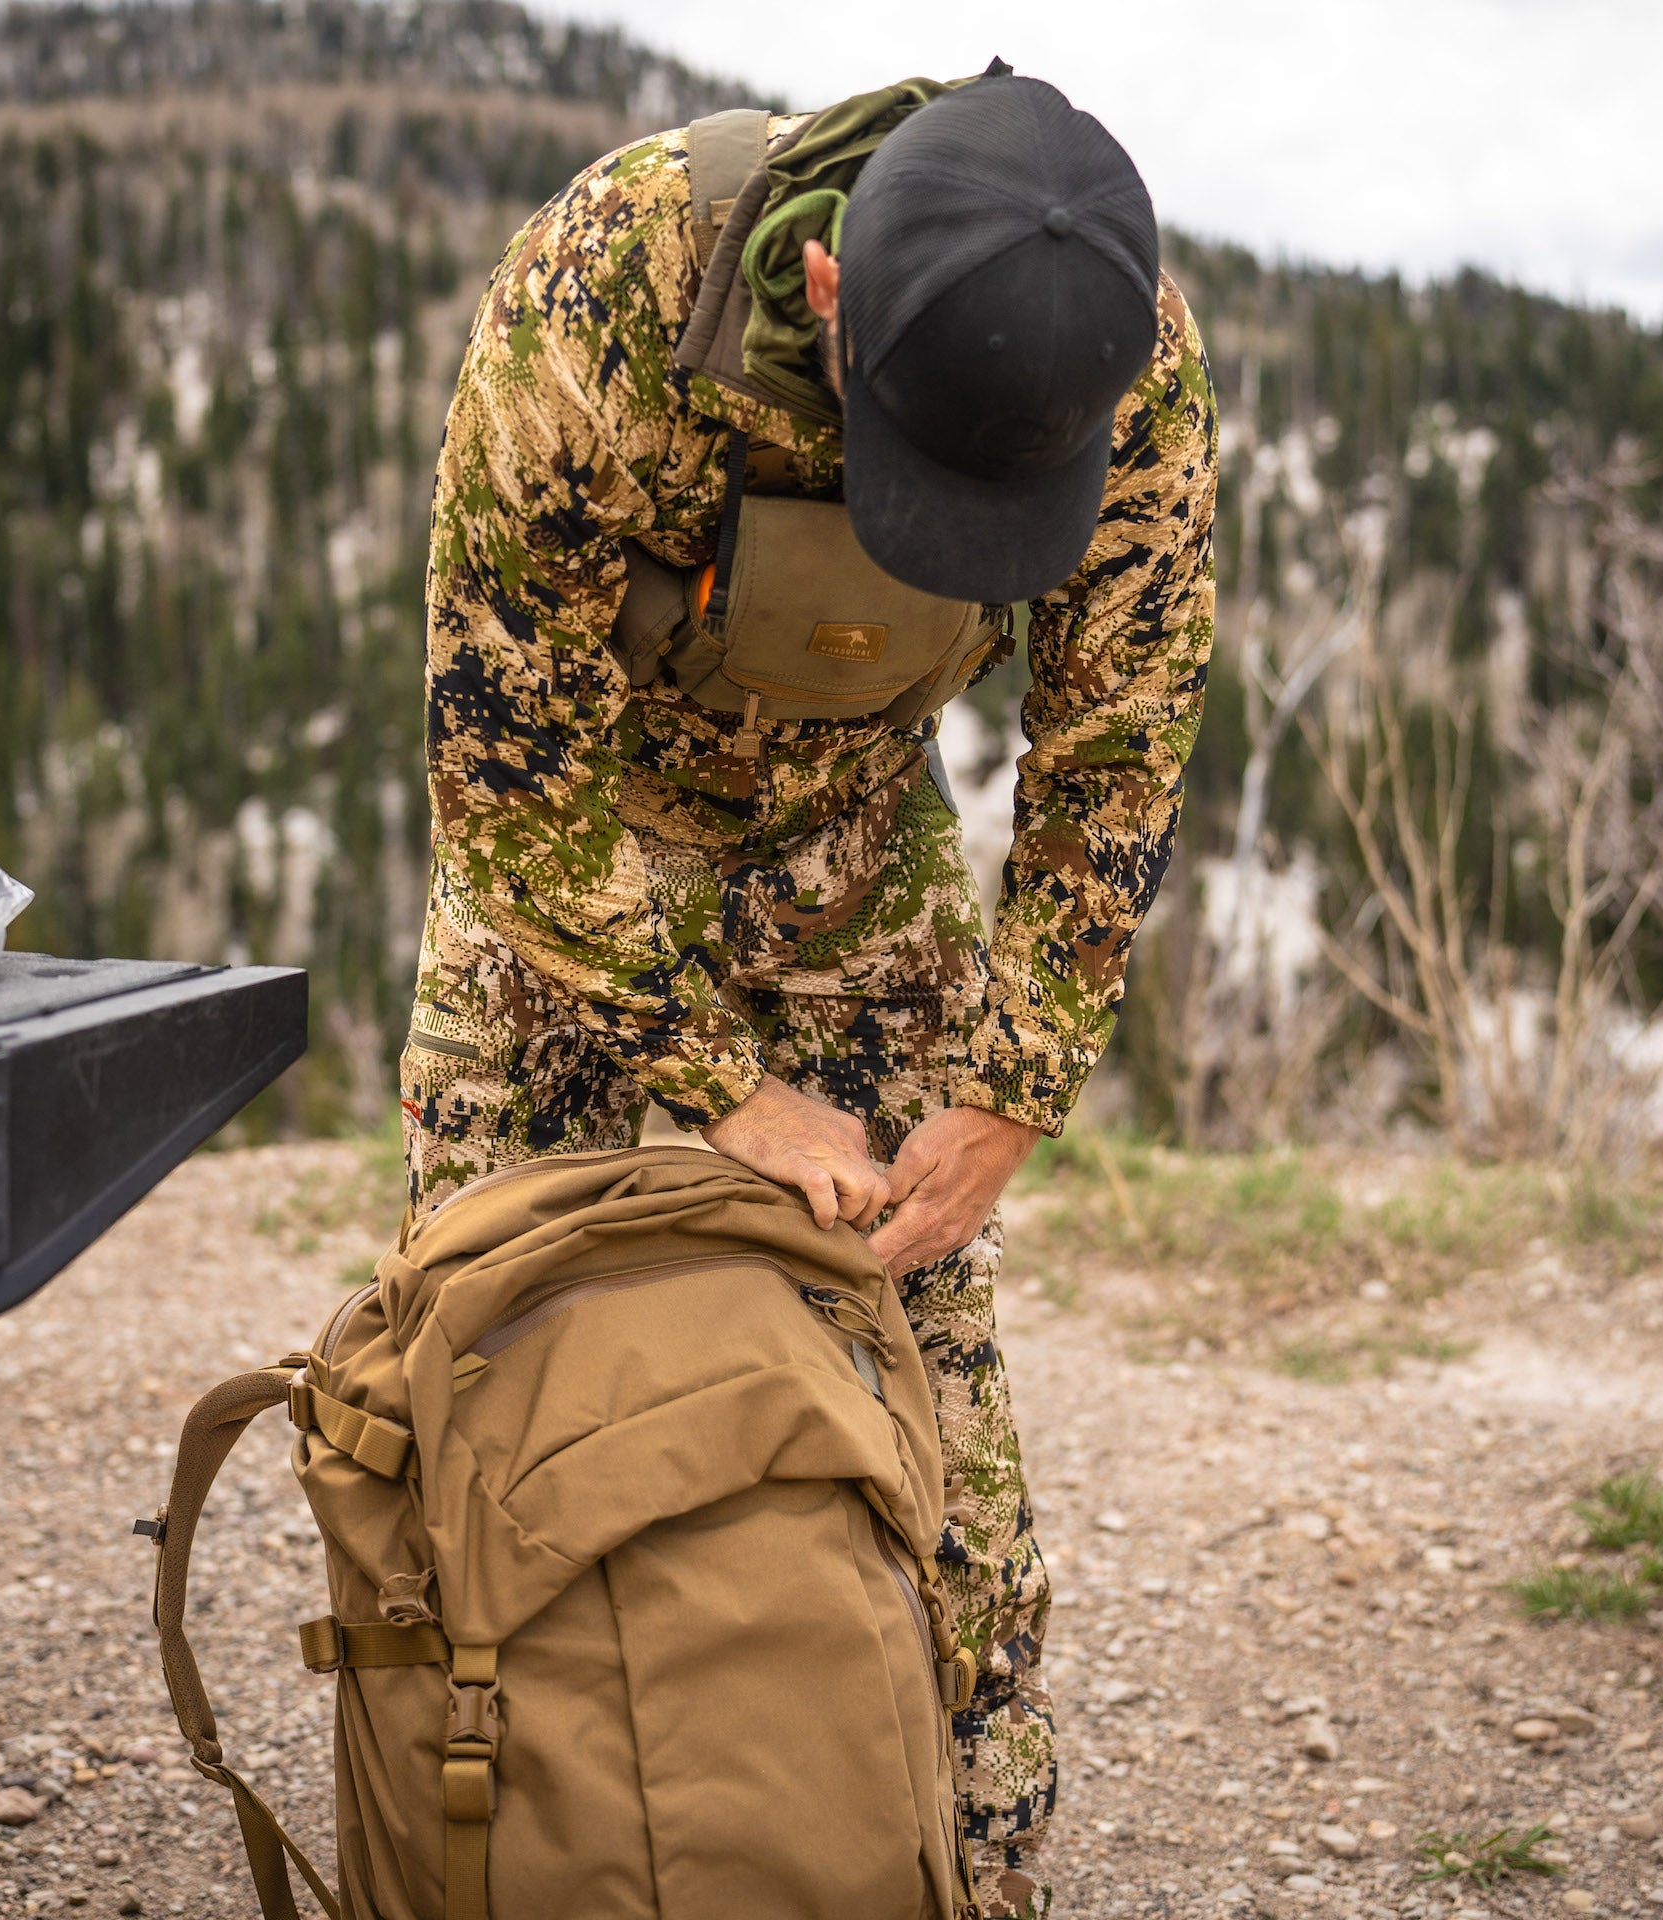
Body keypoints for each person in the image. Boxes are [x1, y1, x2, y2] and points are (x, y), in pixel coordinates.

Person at [402, 63, 1216, 1916]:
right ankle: (485, 1847)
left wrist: (1011, 1086)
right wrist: (717, 1092)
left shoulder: (1117, 352)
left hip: (858, 850)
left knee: (927, 1429)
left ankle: (966, 1865)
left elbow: (1117, 754)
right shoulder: (607, 291)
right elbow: (499, 776)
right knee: (490, 1382)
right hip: (574, 867)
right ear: (833, 293)